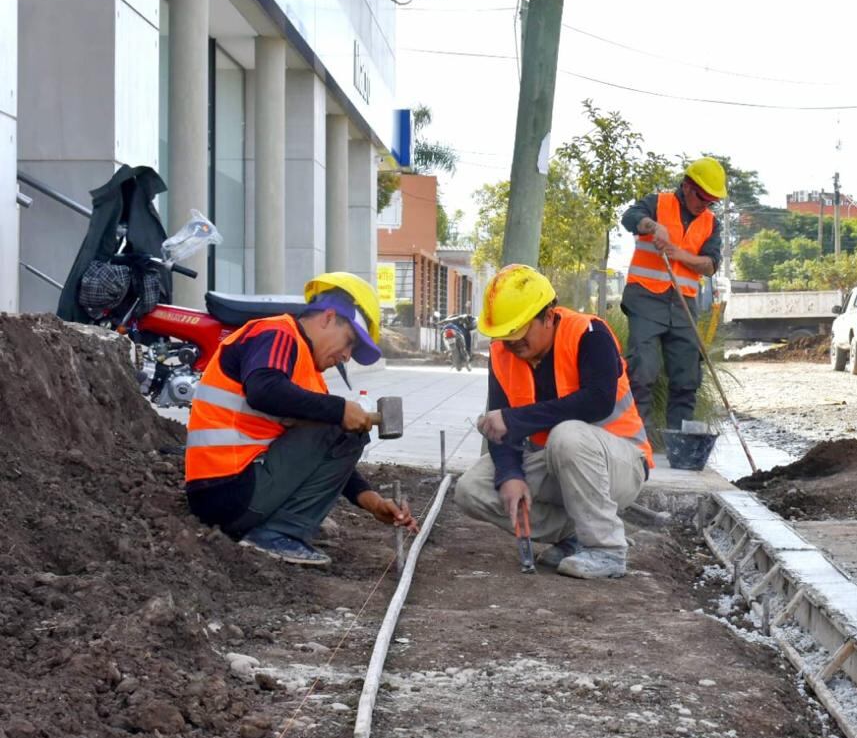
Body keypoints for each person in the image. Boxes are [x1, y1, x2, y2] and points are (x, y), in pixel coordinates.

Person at [184, 272, 418, 566]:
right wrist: (338, 410)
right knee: (341, 427)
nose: (346, 356)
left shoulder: (309, 376)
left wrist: (373, 503)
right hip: (226, 491)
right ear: (328, 317)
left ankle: (275, 531)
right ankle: (277, 534)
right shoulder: (278, 333)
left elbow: (323, 458)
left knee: (340, 429)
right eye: (348, 343)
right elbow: (263, 390)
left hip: (233, 493)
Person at [454, 265, 653, 580]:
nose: (512, 344)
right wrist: (510, 474)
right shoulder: (502, 353)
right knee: (471, 488)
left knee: (567, 435)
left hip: (620, 465)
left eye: (518, 332)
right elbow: (500, 426)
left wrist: (516, 419)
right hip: (553, 463)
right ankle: (575, 534)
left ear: (548, 316)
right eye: (505, 335)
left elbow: (597, 400)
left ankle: (606, 549)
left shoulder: (588, 333)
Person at [620, 156, 725, 431]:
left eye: (711, 202)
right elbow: (630, 217)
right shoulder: (657, 203)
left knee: (686, 375)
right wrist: (652, 226)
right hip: (645, 299)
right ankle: (638, 441)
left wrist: (681, 255)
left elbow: (711, 264)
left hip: (683, 304)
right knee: (642, 369)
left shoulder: (711, 223)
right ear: (688, 187)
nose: (705, 206)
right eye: (703, 198)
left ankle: (679, 442)